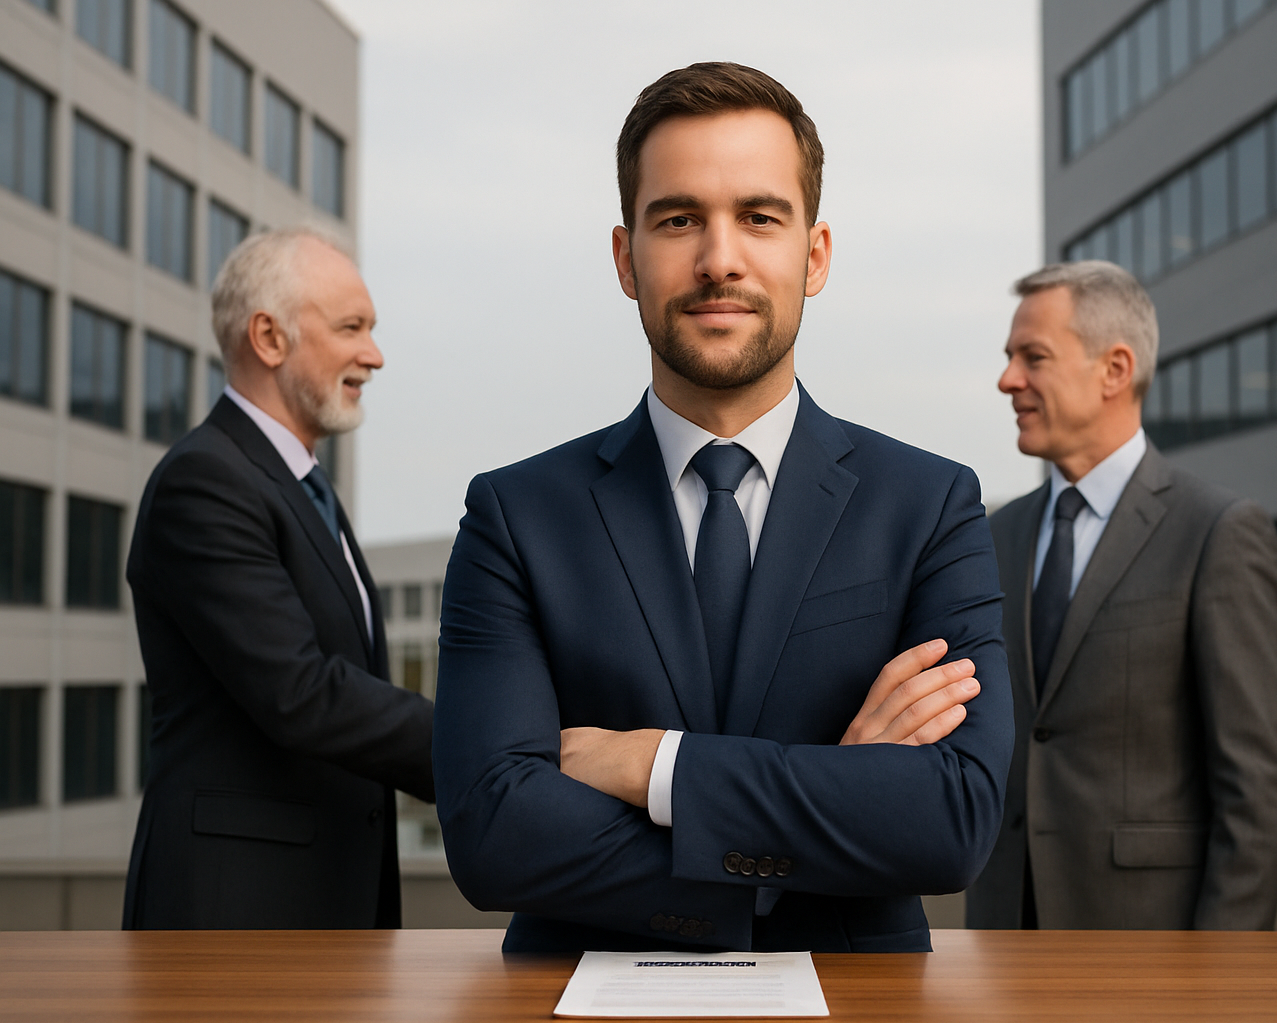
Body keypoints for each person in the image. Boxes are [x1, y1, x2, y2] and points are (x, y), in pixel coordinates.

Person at [434, 63, 1012, 953]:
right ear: (626, 259)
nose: (719, 259)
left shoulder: (930, 506)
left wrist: (655, 766)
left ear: (814, 256)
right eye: (678, 220)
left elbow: (953, 818)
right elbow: (493, 833)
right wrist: (829, 811)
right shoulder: (516, 516)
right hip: (577, 999)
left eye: (759, 217)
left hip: (856, 1000)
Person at [123, 227, 435, 930]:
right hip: (234, 917)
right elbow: (300, 692)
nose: (374, 355)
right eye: (351, 327)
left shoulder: (304, 488)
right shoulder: (205, 481)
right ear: (269, 338)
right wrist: (484, 750)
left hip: (326, 904)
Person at [967, 260, 1277, 931]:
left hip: (1151, 946)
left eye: (1033, 357)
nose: (1008, 380)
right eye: (1008, 358)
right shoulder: (996, 534)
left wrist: (1226, 973)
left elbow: (1254, 790)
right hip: (1003, 937)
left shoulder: (1218, 532)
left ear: (1115, 369)